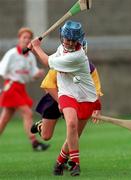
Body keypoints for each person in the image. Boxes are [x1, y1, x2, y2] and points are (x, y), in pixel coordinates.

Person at [30, 20, 101, 176]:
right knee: (71, 124)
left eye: (73, 40)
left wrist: (35, 47)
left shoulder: (77, 57)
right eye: (67, 39)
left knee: (74, 134)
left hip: (86, 98)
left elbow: (48, 62)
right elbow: (50, 69)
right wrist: (61, 103)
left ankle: (59, 162)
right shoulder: (62, 48)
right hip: (66, 94)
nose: (69, 43)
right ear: (62, 38)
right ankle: (75, 163)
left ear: (79, 41)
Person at [31, 40, 103, 142]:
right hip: (54, 97)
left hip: (76, 99)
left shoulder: (90, 69)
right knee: (46, 136)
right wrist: (61, 102)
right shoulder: (61, 63)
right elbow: (48, 85)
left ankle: (67, 156)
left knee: (74, 131)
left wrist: (96, 109)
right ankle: (41, 126)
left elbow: (95, 90)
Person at [0, 27, 50, 151]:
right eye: (24, 37)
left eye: (28, 38)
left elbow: (31, 75)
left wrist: (37, 74)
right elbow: (2, 70)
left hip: (21, 88)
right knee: (27, 112)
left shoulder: (30, 57)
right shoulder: (12, 53)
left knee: (4, 119)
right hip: (11, 87)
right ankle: (34, 143)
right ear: (19, 39)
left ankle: (35, 143)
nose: (26, 40)